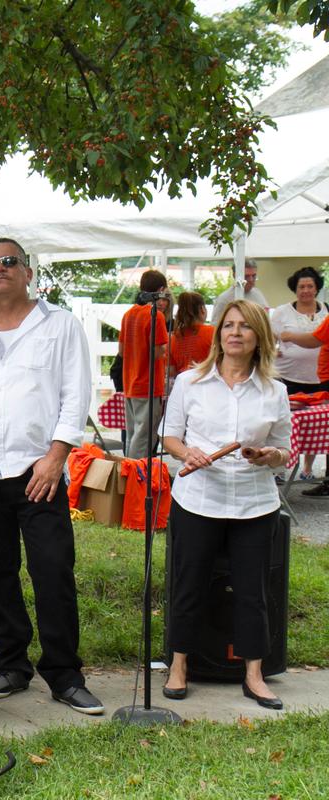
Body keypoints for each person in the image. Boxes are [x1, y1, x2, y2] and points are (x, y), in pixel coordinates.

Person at [0, 237, 103, 715]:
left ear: (28, 272)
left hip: (37, 470)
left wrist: (56, 456)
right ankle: (11, 665)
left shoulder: (60, 325)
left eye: (10, 261)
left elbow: (75, 395)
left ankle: (64, 674)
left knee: (52, 569)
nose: (0, 268)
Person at [161, 300, 290, 710]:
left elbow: (285, 450)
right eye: (228, 325)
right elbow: (169, 436)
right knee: (189, 585)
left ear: (259, 337)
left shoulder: (275, 391)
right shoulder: (190, 382)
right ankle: (178, 665)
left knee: (253, 592)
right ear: (218, 335)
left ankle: (254, 675)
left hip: (255, 504)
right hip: (199, 499)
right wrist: (189, 453)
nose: (235, 333)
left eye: (245, 327)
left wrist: (269, 456)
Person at [269, 267, 327, 481]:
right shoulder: (282, 312)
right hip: (288, 377)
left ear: (317, 288)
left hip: (319, 379)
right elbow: (268, 337)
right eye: (301, 286)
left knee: (318, 425)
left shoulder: (326, 310)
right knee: (284, 423)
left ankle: (308, 469)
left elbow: (315, 341)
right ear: (295, 289)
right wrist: (272, 350)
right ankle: (280, 468)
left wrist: (290, 336)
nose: (306, 290)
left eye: (310, 286)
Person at [120, 270, 169, 458]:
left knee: (132, 435)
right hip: (149, 384)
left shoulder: (128, 314)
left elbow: (122, 351)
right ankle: (136, 473)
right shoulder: (155, 315)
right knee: (144, 438)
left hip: (130, 382)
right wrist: (166, 350)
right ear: (161, 289)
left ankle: (127, 470)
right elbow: (157, 352)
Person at [168, 292, 214, 379]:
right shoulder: (212, 332)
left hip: (183, 383)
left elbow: (171, 371)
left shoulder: (174, 338)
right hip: (206, 381)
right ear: (202, 309)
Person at [210, 259, 268, 325]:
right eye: (246, 276)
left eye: (254, 276)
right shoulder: (224, 299)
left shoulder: (258, 294)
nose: (251, 280)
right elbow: (215, 326)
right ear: (235, 275)